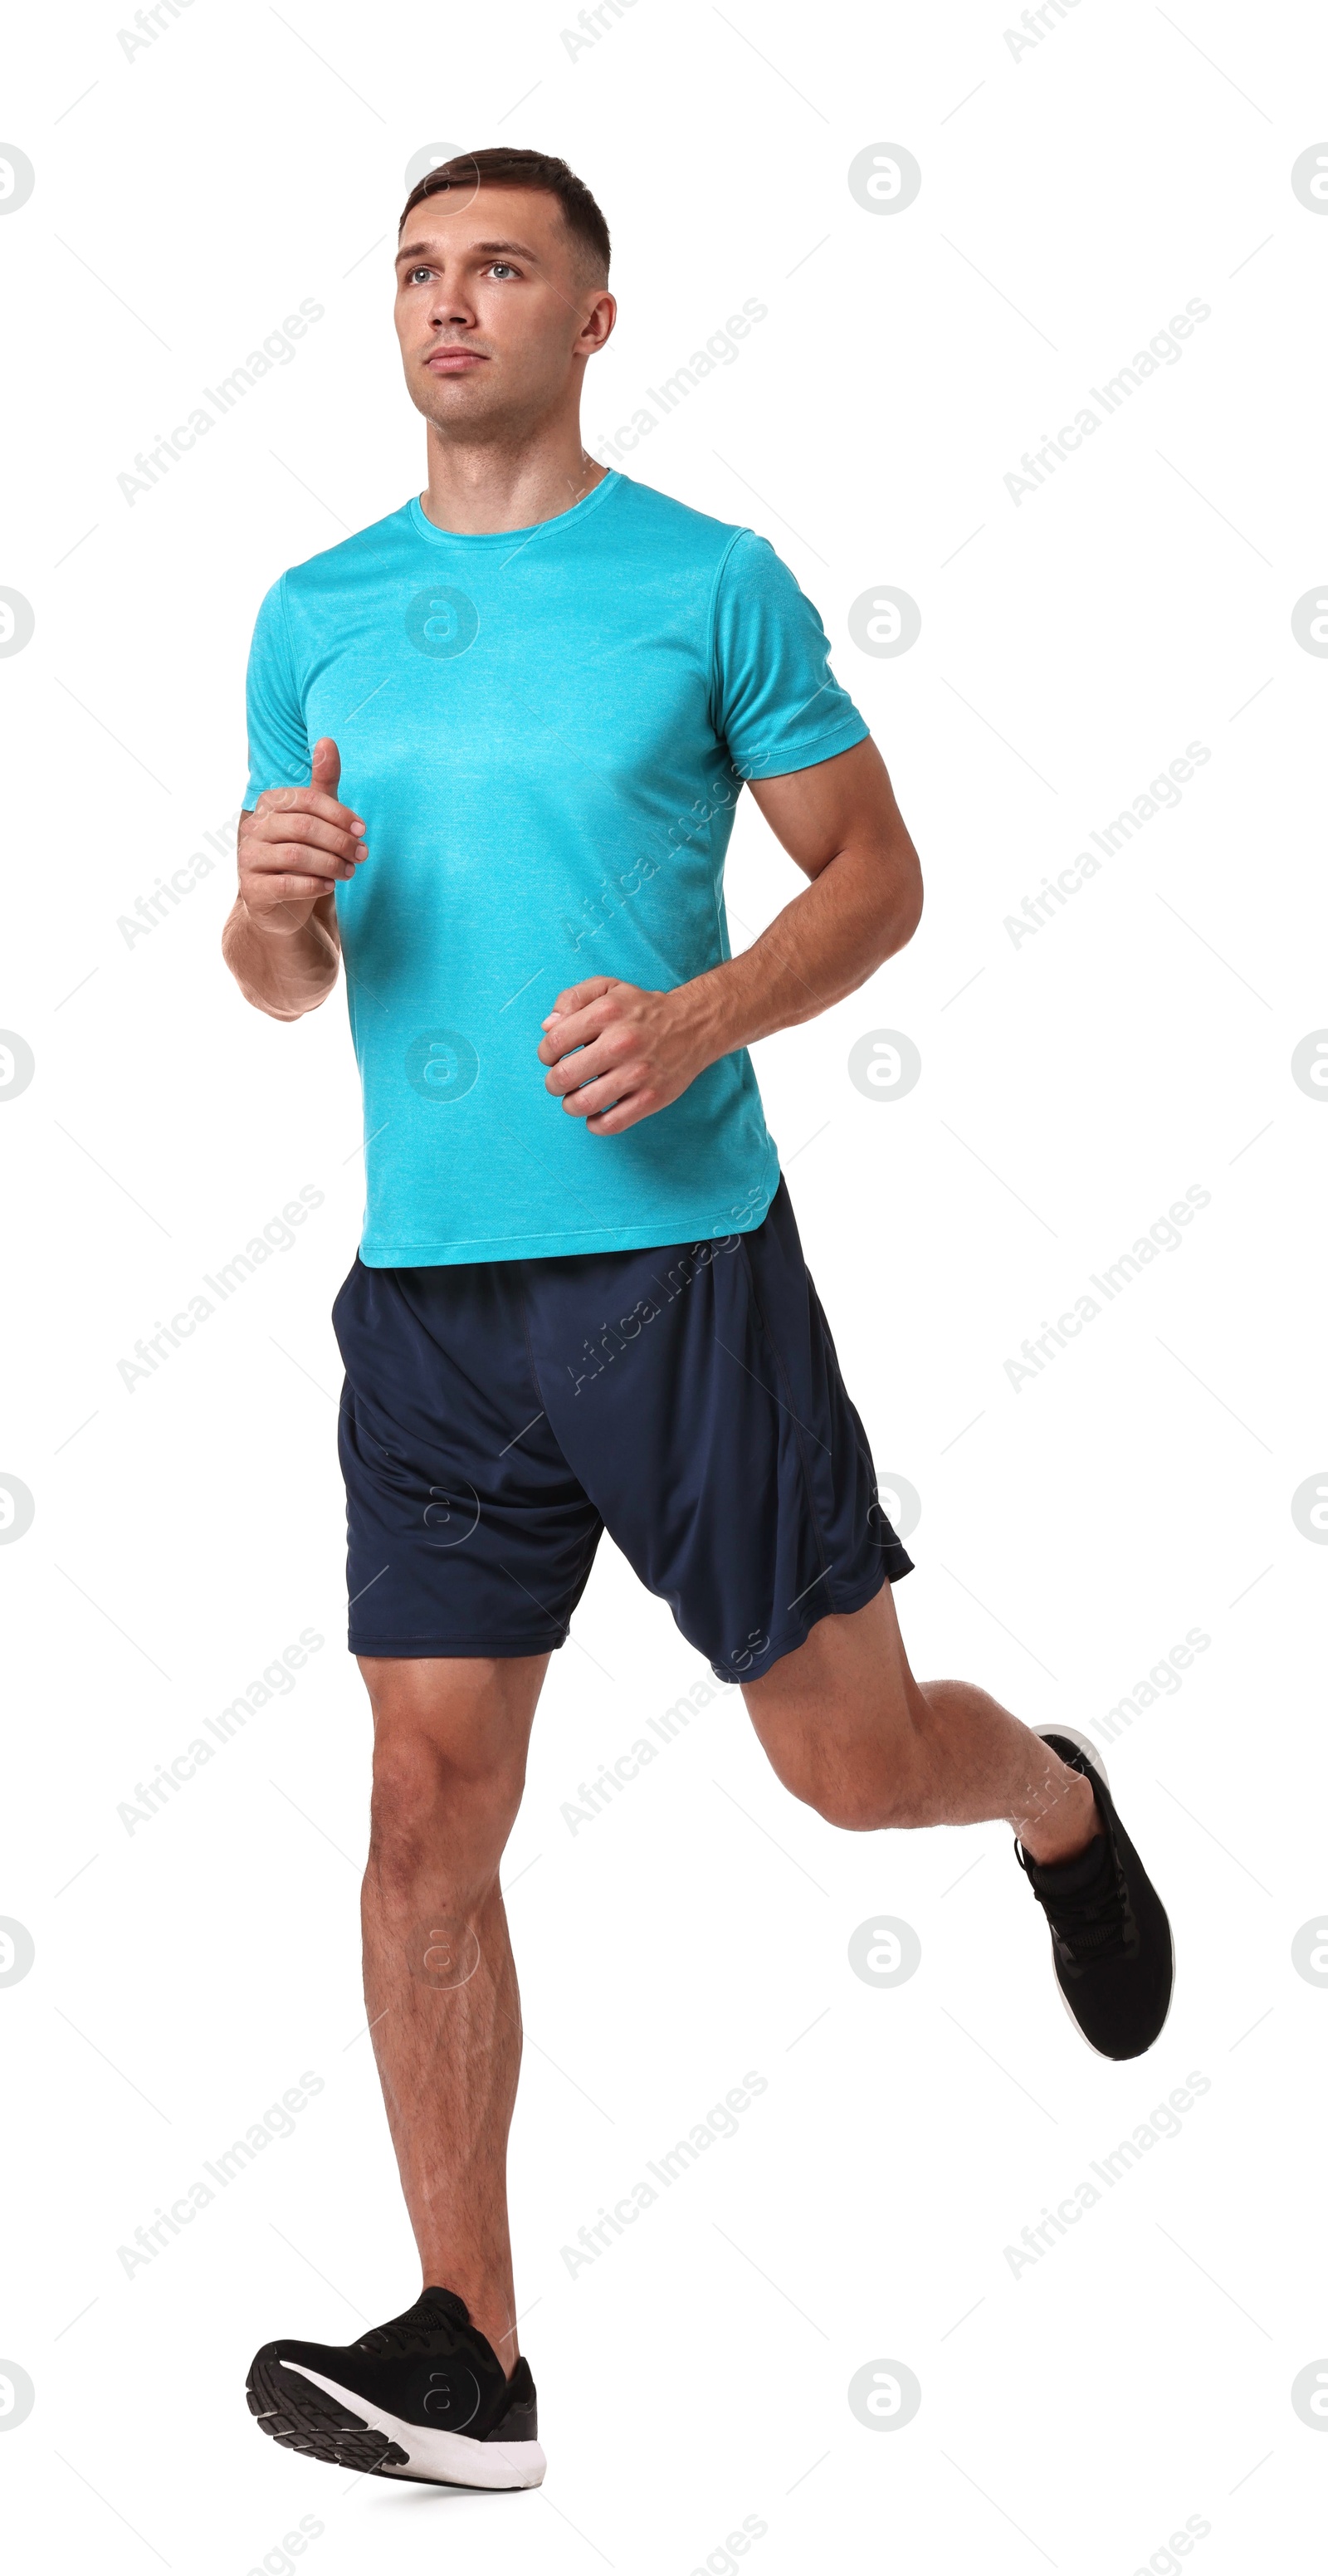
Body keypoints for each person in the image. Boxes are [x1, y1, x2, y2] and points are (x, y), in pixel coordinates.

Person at [226, 147, 1172, 2495]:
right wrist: (262, 903)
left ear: (593, 315)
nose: (450, 309)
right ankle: (474, 2355)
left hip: (680, 1281)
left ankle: (1050, 1795)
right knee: (424, 1804)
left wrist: (707, 1011)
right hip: (428, 1303)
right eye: (421, 274)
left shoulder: (702, 586)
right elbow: (276, 978)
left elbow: (882, 872)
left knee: (844, 1772)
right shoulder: (316, 609)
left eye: (500, 271)